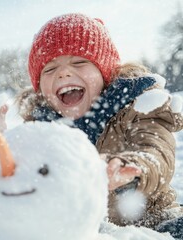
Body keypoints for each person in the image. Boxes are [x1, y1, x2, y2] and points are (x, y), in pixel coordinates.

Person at [16, 13, 183, 238]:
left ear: (105, 72)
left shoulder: (138, 108)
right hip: (82, 230)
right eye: (49, 69)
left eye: (79, 62)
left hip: (152, 220)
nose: (64, 72)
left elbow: (156, 150)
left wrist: (131, 169)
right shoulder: (40, 130)